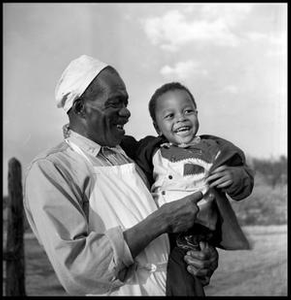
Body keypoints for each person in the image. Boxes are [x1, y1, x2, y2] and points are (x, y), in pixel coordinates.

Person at [23, 55, 219, 296]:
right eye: (114, 103)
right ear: (80, 108)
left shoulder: (132, 154)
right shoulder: (53, 170)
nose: (126, 113)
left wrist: (202, 256)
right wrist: (161, 221)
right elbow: (78, 270)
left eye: (126, 102)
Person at [120, 82, 254, 296]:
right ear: (157, 127)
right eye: (170, 116)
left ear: (197, 114)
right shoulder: (153, 149)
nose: (181, 118)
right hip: (158, 227)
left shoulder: (213, 149)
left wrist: (235, 177)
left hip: (192, 230)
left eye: (188, 111)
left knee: (185, 280)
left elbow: (242, 175)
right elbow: (123, 143)